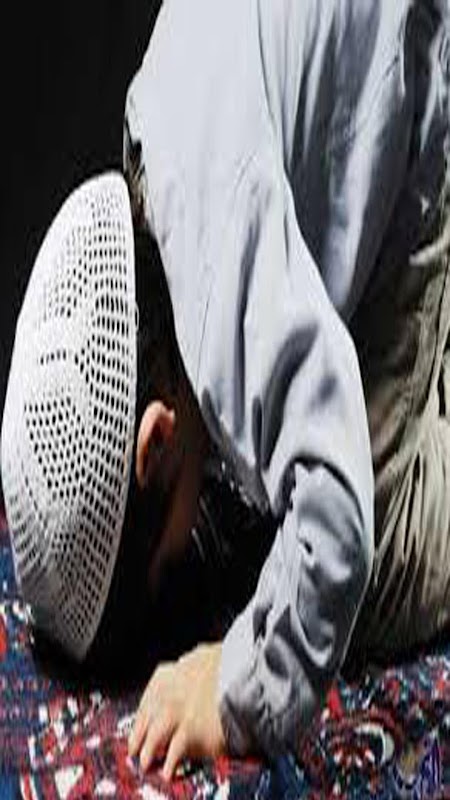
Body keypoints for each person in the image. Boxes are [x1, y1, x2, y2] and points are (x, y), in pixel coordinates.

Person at [1, 0, 449, 782]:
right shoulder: (151, 137)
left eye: (166, 563)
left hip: (418, 64)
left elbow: (338, 522)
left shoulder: (218, 295)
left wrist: (238, 689)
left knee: (382, 572)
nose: (187, 559)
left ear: (154, 441)